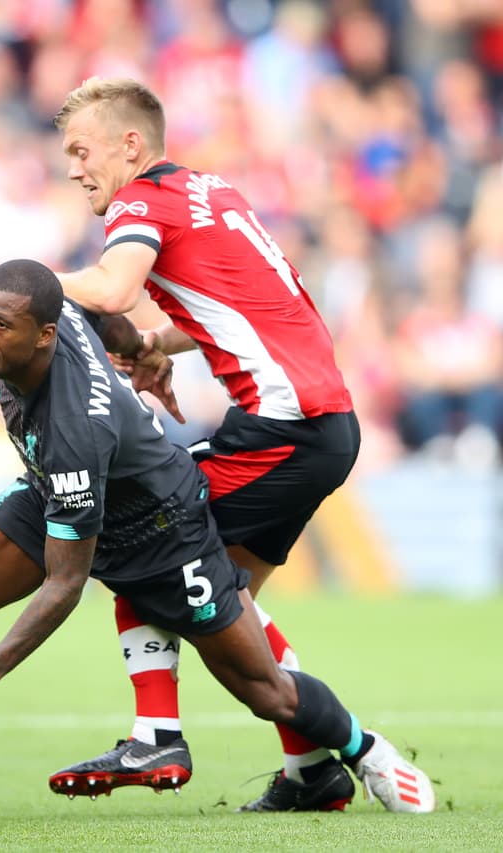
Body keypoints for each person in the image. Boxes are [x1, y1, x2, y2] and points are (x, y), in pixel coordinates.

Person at [0, 259, 434, 824]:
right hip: (59, 491)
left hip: (159, 531)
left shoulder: (74, 428)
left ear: (42, 335)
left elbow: (65, 584)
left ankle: (363, 749)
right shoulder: (57, 308)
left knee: (266, 690)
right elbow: (102, 309)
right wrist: (141, 353)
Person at [47, 76, 380, 812]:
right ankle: (316, 768)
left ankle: (159, 732)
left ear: (130, 145)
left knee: (143, 538)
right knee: (223, 604)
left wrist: (21, 284)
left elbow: (110, 288)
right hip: (323, 424)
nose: (74, 167)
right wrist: (162, 344)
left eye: (82, 150)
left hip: (282, 428)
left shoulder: (140, 201)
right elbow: (253, 310)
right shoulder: (211, 191)